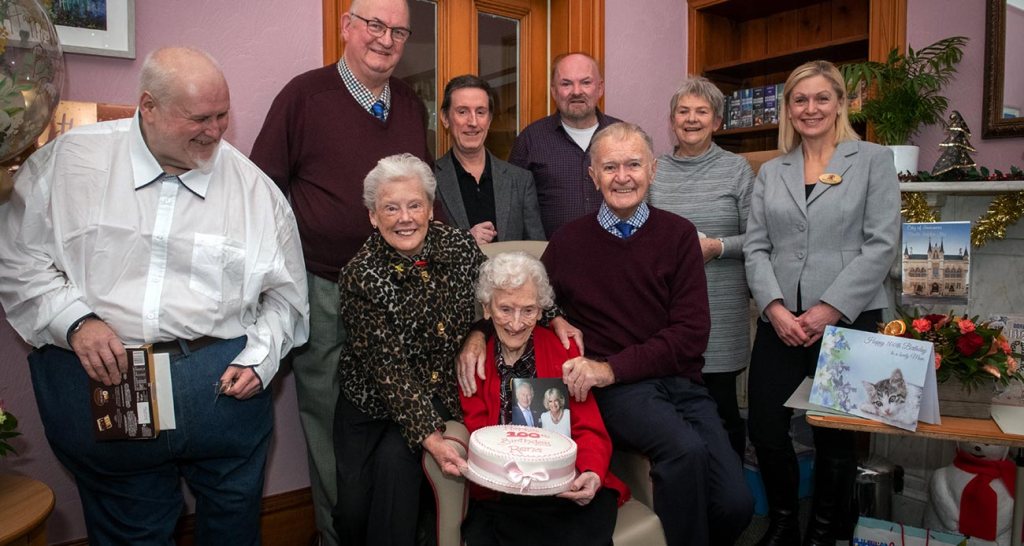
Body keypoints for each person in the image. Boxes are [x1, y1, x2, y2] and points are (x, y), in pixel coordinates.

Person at [0, 47, 309, 544]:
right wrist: (73, 320)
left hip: (220, 392)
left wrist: (262, 358)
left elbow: (286, 297)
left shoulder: (254, 191)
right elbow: (17, 258)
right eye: (199, 118)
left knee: (233, 528)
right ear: (148, 105)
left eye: (223, 115)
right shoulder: (70, 163)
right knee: (132, 532)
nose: (215, 131)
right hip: (109, 384)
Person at [460, 122, 753, 546]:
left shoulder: (679, 236)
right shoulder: (568, 241)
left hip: (677, 383)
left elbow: (691, 334)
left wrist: (611, 367)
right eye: (610, 167)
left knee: (736, 504)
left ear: (652, 170)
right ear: (593, 176)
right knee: (684, 451)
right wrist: (479, 330)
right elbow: (523, 300)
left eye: (633, 164)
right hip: (618, 392)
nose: (622, 177)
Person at [249, 1, 433, 542]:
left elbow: (421, 193)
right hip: (324, 287)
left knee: (399, 412)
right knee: (328, 417)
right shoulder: (304, 96)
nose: (386, 39)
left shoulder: (409, 103)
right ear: (346, 27)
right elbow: (261, 193)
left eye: (398, 31)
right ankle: (338, 536)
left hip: (398, 289)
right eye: (375, 25)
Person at [334, 154, 580, 544]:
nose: (405, 218)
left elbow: (502, 286)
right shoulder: (360, 276)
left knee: (396, 474)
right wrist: (430, 437)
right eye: (391, 208)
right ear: (373, 216)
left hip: (434, 391)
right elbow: (388, 371)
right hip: (371, 402)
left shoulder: (456, 244)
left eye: (415, 205)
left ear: (430, 209)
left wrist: (552, 315)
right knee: (352, 509)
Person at [744, 60, 900, 546]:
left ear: (840, 104)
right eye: (800, 99)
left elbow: (881, 245)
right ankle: (783, 523)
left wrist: (829, 308)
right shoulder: (772, 171)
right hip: (781, 321)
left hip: (847, 319)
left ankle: (824, 532)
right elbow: (756, 247)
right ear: (788, 108)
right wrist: (773, 307)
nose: (810, 108)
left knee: (835, 432)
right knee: (766, 427)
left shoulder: (872, 160)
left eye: (821, 98)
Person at [459, 251, 628, 546]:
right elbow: (477, 436)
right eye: (505, 309)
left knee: (588, 520)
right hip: (504, 494)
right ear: (487, 309)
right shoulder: (474, 362)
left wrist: (590, 472)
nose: (516, 323)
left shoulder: (563, 352)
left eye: (528, 310)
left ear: (540, 311)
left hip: (563, 489)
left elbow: (589, 428)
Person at [649, 76, 755, 459]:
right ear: (671, 120)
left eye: (702, 111)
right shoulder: (653, 170)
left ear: (717, 121)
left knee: (722, 412)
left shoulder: (738, 170)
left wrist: (717, 247)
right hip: (664, 312)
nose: (691, 119)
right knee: (672, 413)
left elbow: (759, 240)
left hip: (721, 314)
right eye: (683, 111)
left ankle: (729, 487)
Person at [509, 52, 622, 238]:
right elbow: (513, 208)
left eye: (586, 82)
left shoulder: (624, 137)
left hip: (616, 250)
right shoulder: (530, 139)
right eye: (566, 84)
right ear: (554, 91)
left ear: (600, 88)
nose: (576, 92)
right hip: (550, 253)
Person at [435, 75, 545, 244]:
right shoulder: (429, 180)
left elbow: (536, 248)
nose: (473, 122)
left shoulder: (520, 180)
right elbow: (423, 249)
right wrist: (464, 240)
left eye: (480, 112)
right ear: (445, 118)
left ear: (489, 119)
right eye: (462, 112)